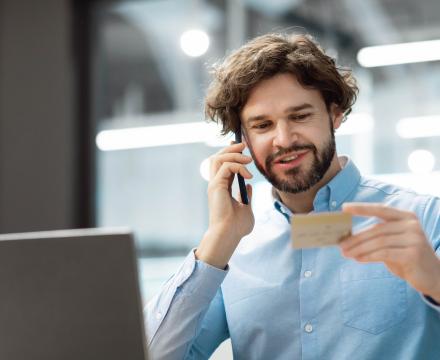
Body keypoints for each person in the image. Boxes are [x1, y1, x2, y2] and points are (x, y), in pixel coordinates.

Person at [146, 33, 440, 359]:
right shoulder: (233, 250)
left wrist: (436, 281)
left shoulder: (424, 220)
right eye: (262, 125)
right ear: (241, 139)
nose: (283, 140)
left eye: (300, 116)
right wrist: (217, 239)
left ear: (335, 114)